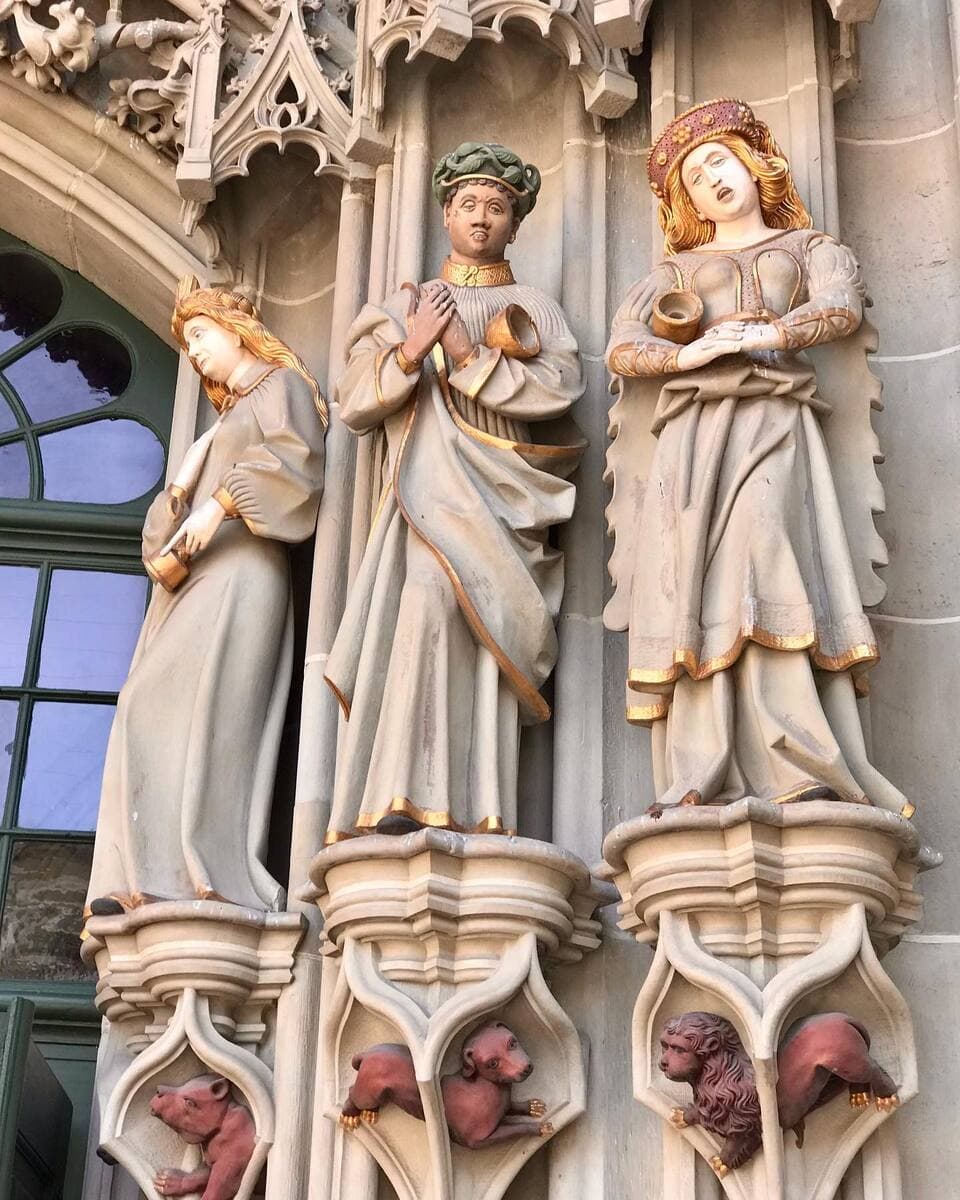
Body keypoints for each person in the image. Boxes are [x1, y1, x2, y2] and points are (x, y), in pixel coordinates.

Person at [604, 99, 913, 817]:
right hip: (694, 436)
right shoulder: (675, 268)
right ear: (687, 203)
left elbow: (844, 306)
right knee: (699, 586)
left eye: (719, 160)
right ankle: (701, 765)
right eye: (694, 177)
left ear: (752, 161)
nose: (712, 179)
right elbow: (622, 346)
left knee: (765, 548)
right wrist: (690, 350)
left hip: (773, 419)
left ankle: (795, 755)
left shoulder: (808, 248)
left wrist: (767, 331)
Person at [324, 141, 584, 841]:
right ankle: (404, 790)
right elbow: (353, 401)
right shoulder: (405, 304)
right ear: (446, 213)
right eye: (469, 204)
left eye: (497, 207)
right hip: (424, 494)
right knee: (427, 602)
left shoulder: (534, 305)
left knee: (483, 622)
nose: (481, 218)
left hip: (502, 497)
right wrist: (412, 348)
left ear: (514, 224)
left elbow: (563, 385)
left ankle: (478, 803)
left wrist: (466, 355)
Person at [86, 280, 327, 915]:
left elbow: (298, 464)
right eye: (186, 344)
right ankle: (146, 878)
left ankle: (209, 876)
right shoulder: (226, 419)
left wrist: (219, 504)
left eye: (199, 336)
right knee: (145, 708)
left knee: (211, 716)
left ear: (235, 329)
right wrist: (184, 485)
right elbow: (162, 553)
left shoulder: (282, 388)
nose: (192, 354)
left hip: (245, 571)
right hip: (198, 583)